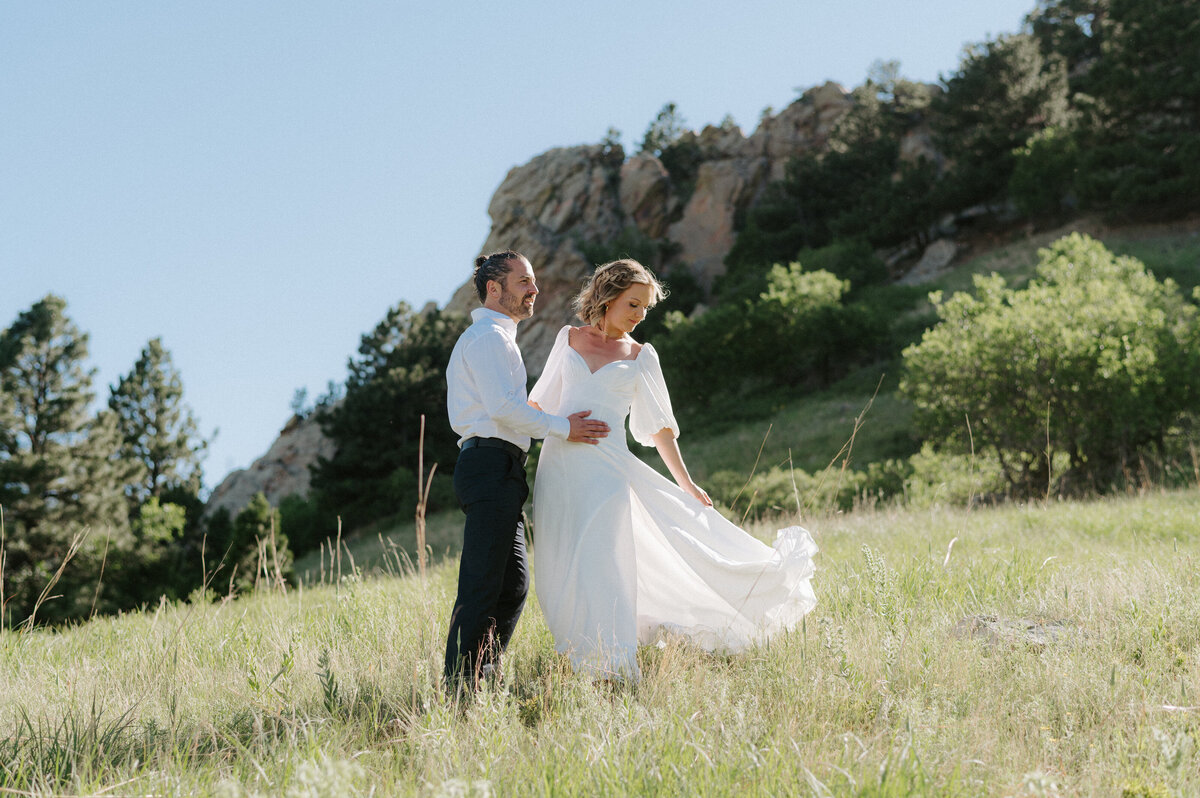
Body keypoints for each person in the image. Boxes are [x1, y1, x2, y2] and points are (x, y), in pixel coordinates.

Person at [529, 258, 817, 683]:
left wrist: (686, 482)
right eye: (633, 304)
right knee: (559, 562)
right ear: (606, 297)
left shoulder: (640, 356)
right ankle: (576, 656)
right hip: (557, 468)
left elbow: (661, 429)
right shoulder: (567, 339)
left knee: (603, 561)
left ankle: (614, 666)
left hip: (606, 472)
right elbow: (539, 404)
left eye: (645, 307)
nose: (640, 315)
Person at [443, 250, 610, 690]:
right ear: (493, 289)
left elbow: (507, 407)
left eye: (533, 281)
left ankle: (482, 676)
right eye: (523, 282)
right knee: (483, 584)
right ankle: (460, 687)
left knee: (512, 584)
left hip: (501, 466)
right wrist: (563, 428)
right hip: (487, 463)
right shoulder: (488, 339)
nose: (534, 289)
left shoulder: (499, 339)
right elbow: (502, 408)